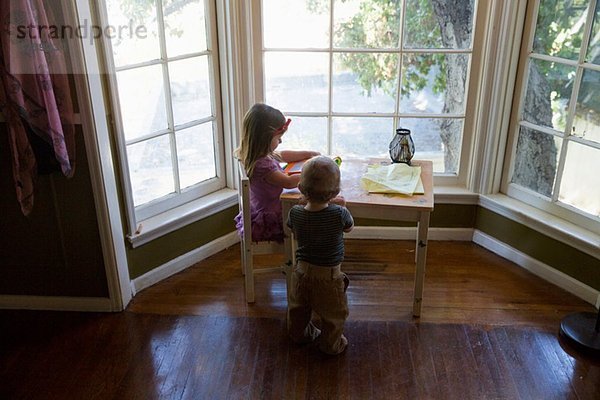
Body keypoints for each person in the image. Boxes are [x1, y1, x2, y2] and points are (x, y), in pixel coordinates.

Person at [286, 156, 354, 355]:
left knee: (298, 309)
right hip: (329, 277)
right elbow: (349, 228)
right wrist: (341, 206)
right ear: (336, 193)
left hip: (301, 273)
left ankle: (299, 335)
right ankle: (331, 345)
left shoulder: (295, 212)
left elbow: (291, 228)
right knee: (334, 314)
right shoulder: (339, 213)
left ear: (300, 188)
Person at [234, 103, 319, 243]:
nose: (281, 140)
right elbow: (289, 182)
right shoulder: (262, 166)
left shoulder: (257, 154)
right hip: (272, 218)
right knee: (314, 206)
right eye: (278, 137)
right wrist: (313, 171)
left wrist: (308, 154)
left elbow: (282, 155)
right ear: (264, 138)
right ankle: (307, 252)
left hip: (262, 206)